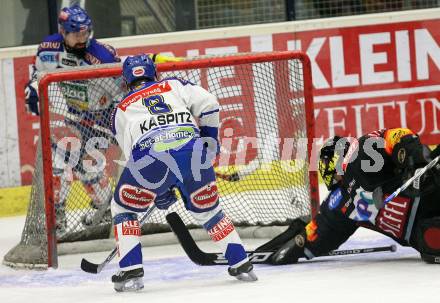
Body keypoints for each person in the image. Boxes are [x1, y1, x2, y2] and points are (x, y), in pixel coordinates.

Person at [24, 5, 181, 235]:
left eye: (85, 33)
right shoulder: (48, 50)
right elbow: (38, 78)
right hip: (77, 117)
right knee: (61, 163)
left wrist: (120, 122)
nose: (82, 38)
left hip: (106, 117)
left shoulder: (101, 56)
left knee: (85, 164)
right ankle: (62, 218)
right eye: (76, 33)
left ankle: (104, 210)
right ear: (63, 32)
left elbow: (126, 87)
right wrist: (33, 91)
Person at [109, 54, 257, 292]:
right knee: (210, 212)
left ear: (125, 82)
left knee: (124, 209)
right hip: (193, 153)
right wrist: (209, 139)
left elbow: (132, 156)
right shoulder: (174, 85)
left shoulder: (121, 109)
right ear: (155, 74)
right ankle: (241, 263)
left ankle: (130, 270)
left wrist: (158, 191)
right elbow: (209, 103)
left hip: (149, 157)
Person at [258, 128, 440, 265]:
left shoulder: (364, 149)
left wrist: (416, 162)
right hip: (420, 231)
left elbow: (399, 136)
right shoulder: (339, 202)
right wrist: (298, 245)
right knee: (432, 240)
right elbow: (319, 235)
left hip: (428, 190)